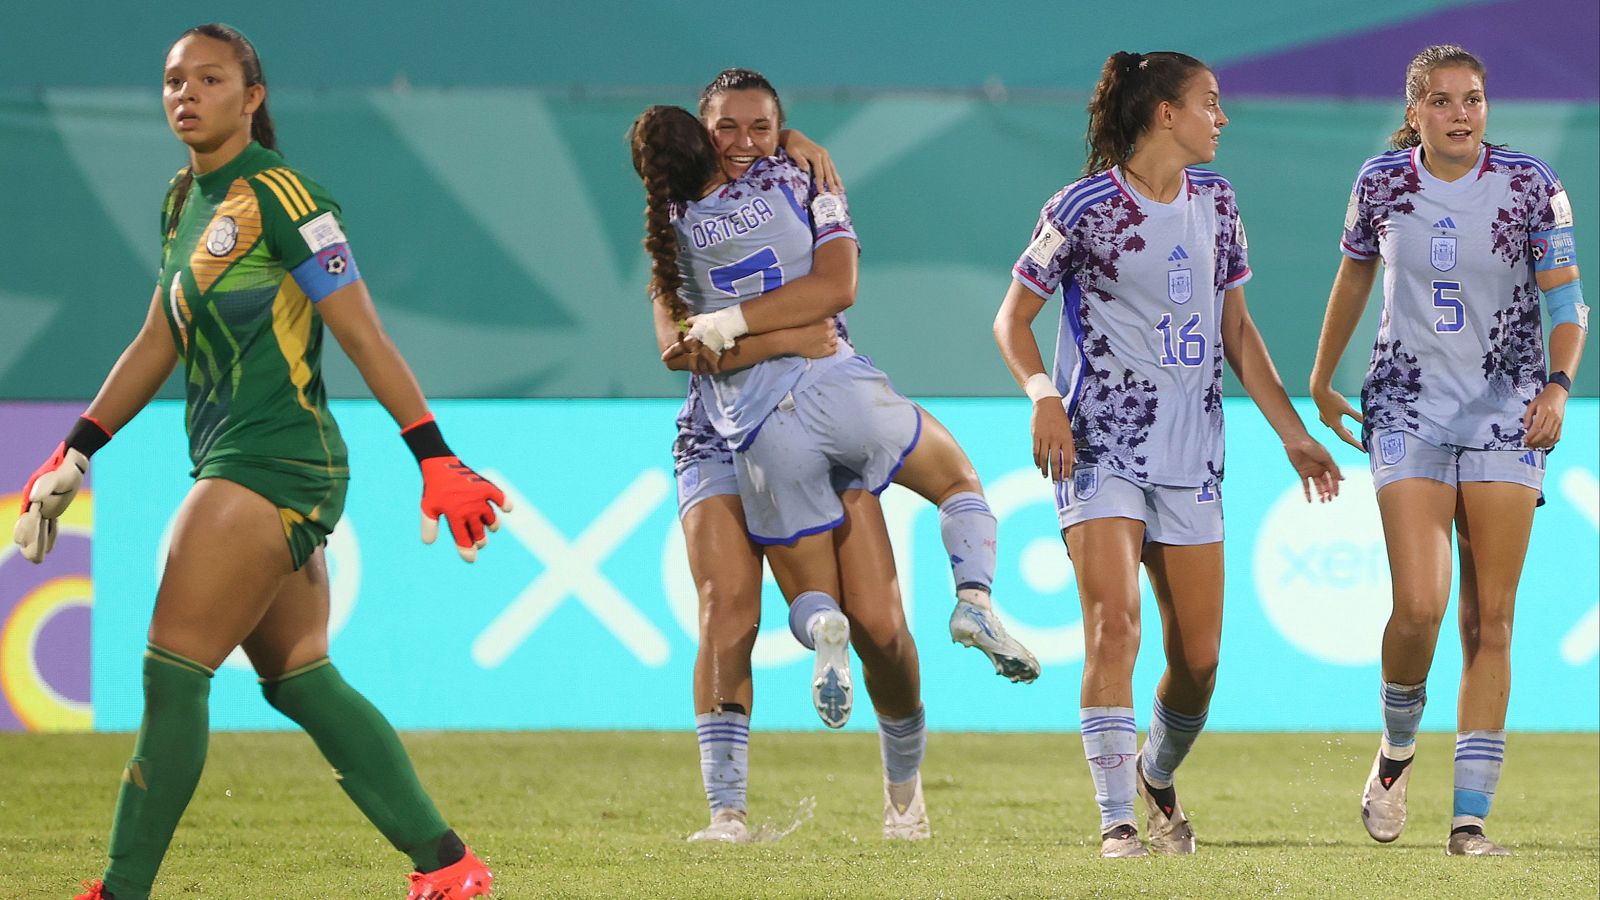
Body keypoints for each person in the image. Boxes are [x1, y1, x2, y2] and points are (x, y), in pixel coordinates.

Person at [10, 25, 505, 899]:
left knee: (171, 673)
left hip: (276, 462)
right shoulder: (182, 201)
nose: (185, 94)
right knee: (299, 681)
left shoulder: (286, 196)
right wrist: (78, 449)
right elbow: (159, 334)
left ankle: (119, 892)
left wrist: (433, 453)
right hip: (236, 460)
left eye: (208, 78)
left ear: (253, 96)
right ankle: (449, 867)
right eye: (172, 81)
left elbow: (361, 332)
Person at [993, 51, 1341, 858]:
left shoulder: (1218, 203)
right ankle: (1118, 821)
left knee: (1199, 665)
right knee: (1114, 627)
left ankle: (1154, 772)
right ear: (1164, 115)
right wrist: (1044, 394)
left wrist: (1293, 433)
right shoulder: (1079, 208)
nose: (1221, 118)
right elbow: (1012, 320)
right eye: (1209, 103)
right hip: (1099, 447)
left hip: (1193, 456)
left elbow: (1238, 332)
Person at [1308, 44, 1586, 857]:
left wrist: (1559, 386)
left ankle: (1469, 823)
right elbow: (1354, 279)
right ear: (1415, 111)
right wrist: (1322, 380)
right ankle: (1397, 751)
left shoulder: (1533, 186)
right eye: (1442, 101)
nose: (1461, 114)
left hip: (1510, 412)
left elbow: (1567, 302)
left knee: (1489, 620)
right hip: (1405, 408)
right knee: (1422, 607)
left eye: (1473, 100)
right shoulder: (1380, 183)